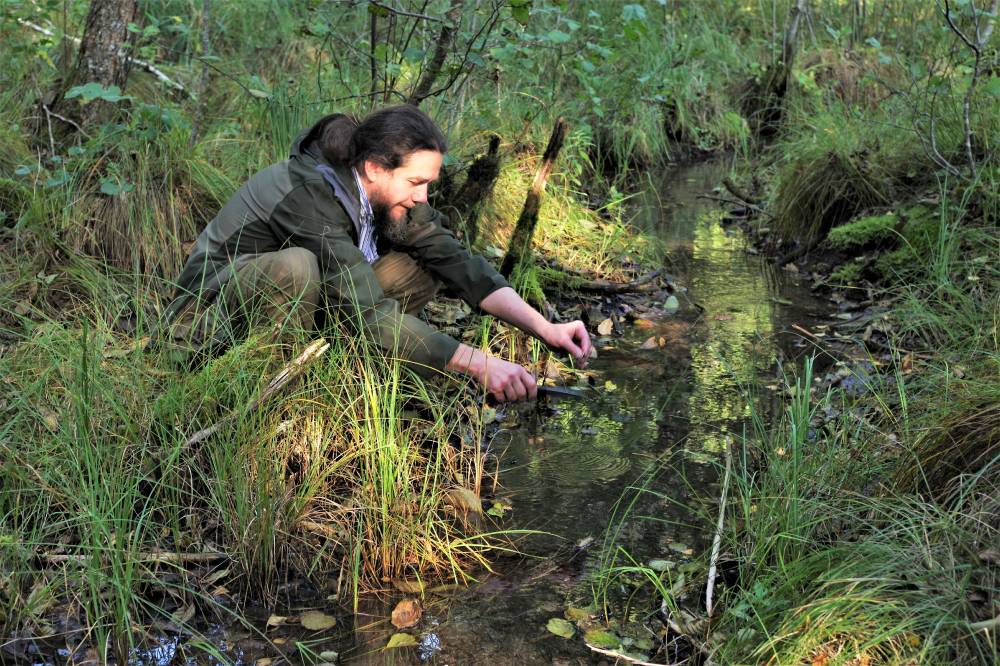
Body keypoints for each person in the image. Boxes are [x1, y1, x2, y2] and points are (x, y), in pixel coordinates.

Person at [159, 105, 591, 403]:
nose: (423, 196)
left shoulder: (386, 195)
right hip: (204, 319)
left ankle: (338, 371)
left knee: (421, 265)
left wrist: (545, 328)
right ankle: (267, 395)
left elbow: (460, 263)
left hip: (293, 310)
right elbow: (365, 310)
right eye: (416, 182)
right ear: (374, 168)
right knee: (297, 267)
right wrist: (476, 363)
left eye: (429, 184)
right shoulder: (306, 194)